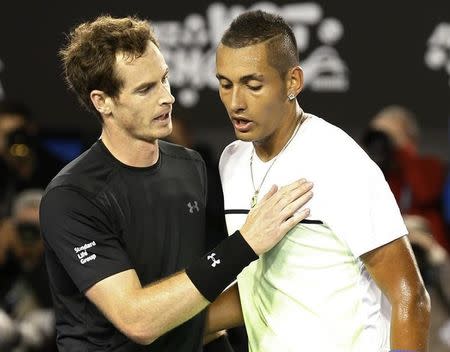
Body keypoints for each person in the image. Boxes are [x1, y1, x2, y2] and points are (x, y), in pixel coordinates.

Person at [39, 15, 314, 352]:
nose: (167, 97)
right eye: (145, 89)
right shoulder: (72, 197)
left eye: (164, 79)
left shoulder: (190, 166)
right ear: (102, 101)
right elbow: (138, 321)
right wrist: (246, 243)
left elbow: (196, 289)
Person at [207, 10, 431, 352]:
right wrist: (181, 323)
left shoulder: (338, 160)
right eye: (225, 84)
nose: (236, 102)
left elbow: (410, 297)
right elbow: (266, 285)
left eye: (253, 85)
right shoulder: (231, 161)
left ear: (292, 82)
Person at [370, 105, 449, 253]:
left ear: (409, 139)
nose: (382, 143)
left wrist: (402, 149)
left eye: (388, 136)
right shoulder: (371, 172)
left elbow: (424, 193)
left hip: (427, 251)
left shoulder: (430, 165)